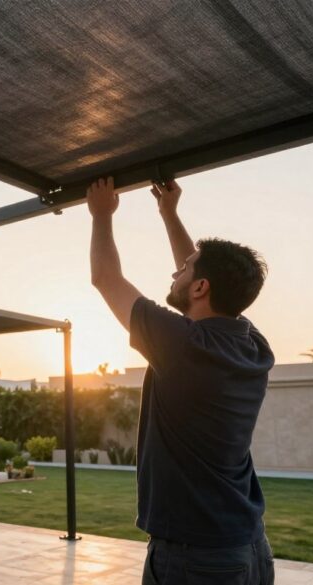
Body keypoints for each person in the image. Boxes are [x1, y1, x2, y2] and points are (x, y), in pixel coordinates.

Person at [86, 177, 275, 584]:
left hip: (197, 560)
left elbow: (105, 278)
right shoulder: (251, 343)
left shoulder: (184, 345)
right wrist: (169, 214)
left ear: (201, 287)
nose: (176, 272)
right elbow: (205, 277)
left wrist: (102, 214)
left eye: (185, 271)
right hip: (247, 545)